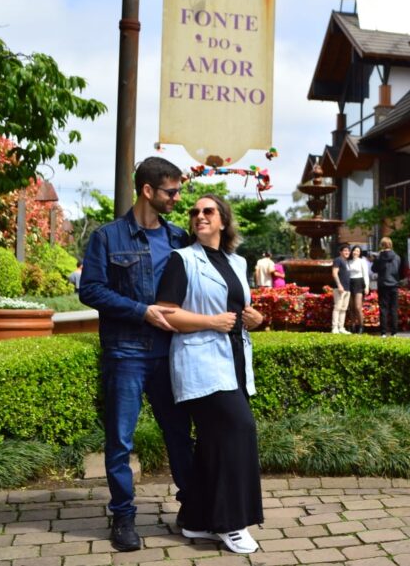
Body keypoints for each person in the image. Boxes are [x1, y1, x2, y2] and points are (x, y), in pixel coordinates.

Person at [79, 156, 193, 552]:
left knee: (180, 436)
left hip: (171, 354)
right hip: (125, 353)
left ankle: (190, 507)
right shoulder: (107, 237)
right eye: (171, 191)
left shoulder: (180, 238)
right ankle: (123, 518)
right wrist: (141, 311)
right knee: (120, 442)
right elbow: (90, 289)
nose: (178, 198)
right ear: (148, 190)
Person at [155, 194, 264, 555]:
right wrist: (209, 322)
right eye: (195, 212)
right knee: (239, 431)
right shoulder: (181, 260)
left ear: (222, 221)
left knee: (214, 444)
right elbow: (166, 313)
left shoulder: (236, 261)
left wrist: (256, 319)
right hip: (201, 363)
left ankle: (196, 520)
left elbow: (239, 308)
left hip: (234, 361)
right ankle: (231, 524)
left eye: (208, 211)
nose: (199, 216)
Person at [371, 237, 402, 337]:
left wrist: (376, 259)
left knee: (383, 308)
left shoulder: (379, 257)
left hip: (383, 284)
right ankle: (394, 332)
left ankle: (383, 332)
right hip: (394, 284)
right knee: (393, 308)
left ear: (382, 245)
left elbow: (374, 269)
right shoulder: (397, 257)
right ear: (391, 245)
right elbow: (399, 270)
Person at [347, 245, 370, 333]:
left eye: (358, 251)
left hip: (359, 283)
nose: (355, 252)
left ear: (360, 253)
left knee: (357, 307)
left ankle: (361, 325)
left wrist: (367, 286)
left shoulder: (362, 261)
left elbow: (366, 275)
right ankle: (353, 325)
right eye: (354, 250)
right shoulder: (348, 261)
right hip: (350, 283)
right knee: (351, 307)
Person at [330, 244, 352, 334]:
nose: (347, 252)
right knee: (337, 307)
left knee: (344, 308)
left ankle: (341, 327)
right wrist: (339, 285)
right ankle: (334, 327)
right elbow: (334, 273)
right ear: (341, 252)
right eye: (345, 250)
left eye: (348, 251)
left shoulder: (346, 261)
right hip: (339, 288)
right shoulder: (338, 260)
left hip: (347, 288)